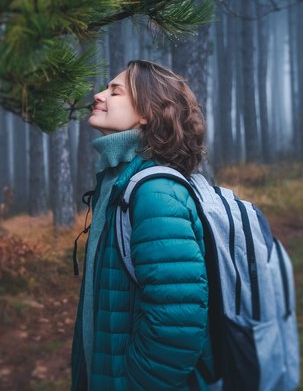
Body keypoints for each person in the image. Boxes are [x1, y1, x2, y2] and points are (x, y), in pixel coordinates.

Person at [70, 60, 212, 391]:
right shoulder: (118, 179)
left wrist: (137, 382)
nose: (99, 94)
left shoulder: (154, 193)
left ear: (146, 113)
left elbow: (178, 322)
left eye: (114, 91)